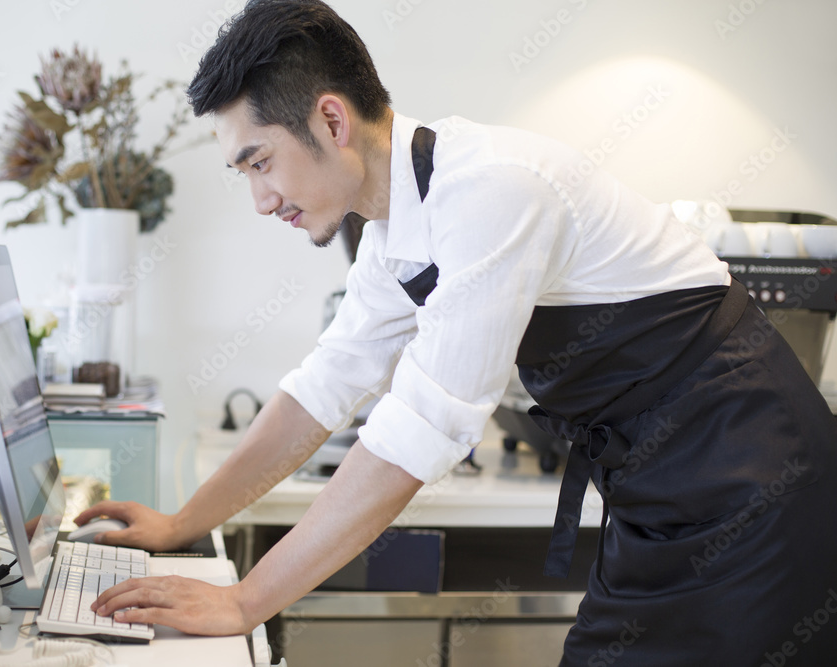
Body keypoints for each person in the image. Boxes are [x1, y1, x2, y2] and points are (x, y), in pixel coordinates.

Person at [78, 0, 837, 663]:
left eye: (259, 162)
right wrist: (184, 521)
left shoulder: (490, 190)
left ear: (332, 120)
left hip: (757, 490)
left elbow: (420, 430)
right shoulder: (392, 231)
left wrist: (247, 599)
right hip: (656, 502)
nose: (258, 198)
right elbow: (326, 385)